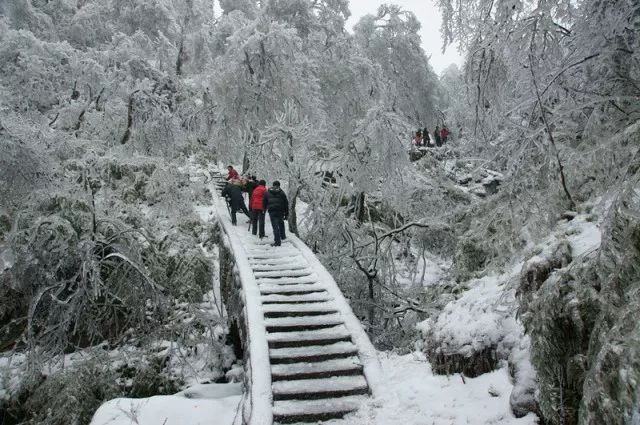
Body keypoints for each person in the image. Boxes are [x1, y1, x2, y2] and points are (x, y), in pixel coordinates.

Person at [263, 181, 289, 247]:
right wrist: (286, 214)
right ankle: (283, 236)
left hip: (272, 211)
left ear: (273, 185)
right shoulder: (282, 192)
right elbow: (286, 204)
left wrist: (264, 210)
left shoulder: (267, 192)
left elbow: (264, 202)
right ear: (279, 186)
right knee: (281, 223)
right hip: (280, 210)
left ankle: (277, 242)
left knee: (275, 226)